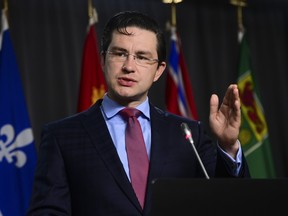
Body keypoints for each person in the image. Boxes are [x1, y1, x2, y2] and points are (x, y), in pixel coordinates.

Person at [27, 10, 250, 216]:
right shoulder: (61, 136)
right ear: (103, 60)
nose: (129, 66)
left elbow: (227, 203)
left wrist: (229, 146)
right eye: (120, 53)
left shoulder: (189, 135)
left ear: (159, 70)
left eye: (142, 57)